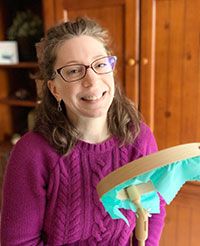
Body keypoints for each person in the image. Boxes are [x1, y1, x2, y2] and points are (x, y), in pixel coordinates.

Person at [1, 17, 166, 245]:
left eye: (100, 64)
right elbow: (19, 242)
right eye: (73, 71)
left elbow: (153, 211)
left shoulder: (140, 139)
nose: (92, 80)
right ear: (54, 88)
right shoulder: (31, 153)